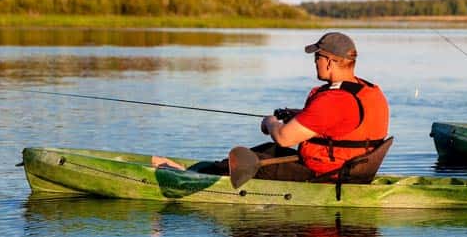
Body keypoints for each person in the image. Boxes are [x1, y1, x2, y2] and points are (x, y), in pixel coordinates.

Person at [158, 31, 390, 182]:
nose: (314, 61)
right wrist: (296, 115)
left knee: (260, 159)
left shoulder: (333, 100)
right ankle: (200, 171)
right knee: (266, 151)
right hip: (348, 170)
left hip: (326, 174)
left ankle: (185, 178)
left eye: (317, 56)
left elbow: (285, 138)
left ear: (329, 61)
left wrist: (271, 123)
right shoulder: (367, 90)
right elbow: (341, 126)